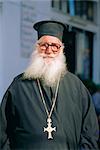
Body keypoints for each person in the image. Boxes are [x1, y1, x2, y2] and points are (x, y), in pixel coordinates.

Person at [0, 20, 99, 150]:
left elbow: (89, 133)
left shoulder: (76, 87)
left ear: (61, 49)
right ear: (37, 47)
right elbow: (2, 132)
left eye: (54, 46)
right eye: (44, 45)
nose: (49, 50)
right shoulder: (19, 86)